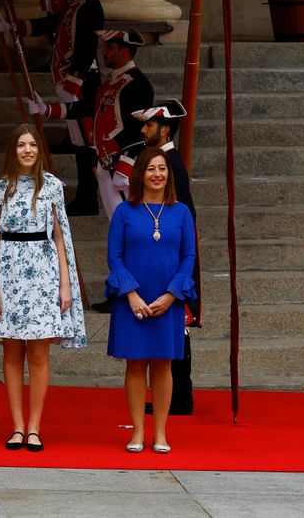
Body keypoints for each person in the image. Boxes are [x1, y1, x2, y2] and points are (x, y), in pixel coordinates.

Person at [0, 124, 86, 452]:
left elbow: (61, 236)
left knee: (39, 354)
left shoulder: (52, 186)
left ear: (39, 151)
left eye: (33, 145)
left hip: (43, 276)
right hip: (8, 275)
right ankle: (17, 426)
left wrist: (65, 285)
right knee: (11, 354)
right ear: (13, 150)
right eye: (21, 145)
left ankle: (35, 427)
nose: (27, 150)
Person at [0, 0, 105, 216]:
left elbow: (87, 49)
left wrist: (74, 84)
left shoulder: (90, 6)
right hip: (69, 79)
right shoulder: (74, 5)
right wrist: (12, 26)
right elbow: (50, 24)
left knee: (86, 142)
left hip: (81, 82)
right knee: (78, 141)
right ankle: (85, 195)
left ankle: (89, 197)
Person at [106, 147, 197, 454]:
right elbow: (114, 257)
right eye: (151, 169)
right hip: (131, 299)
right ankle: (137, 433)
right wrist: (131, 294)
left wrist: (172, 295)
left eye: (162, 169)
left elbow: (189, 257)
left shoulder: (181, 212)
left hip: (167, 298)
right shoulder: (124, 211)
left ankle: (160, 433)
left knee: (163, 366)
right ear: (139, 174)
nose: (157, 174)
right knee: (134, 365)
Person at [28, 28, 154, 219]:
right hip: (105, 164)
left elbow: (139, 130)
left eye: (110, 47)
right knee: (117, 224)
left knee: (137, 224)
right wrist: (47, 109)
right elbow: (87, 107)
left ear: (125, 51)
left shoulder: (138, 84)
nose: (103, 52)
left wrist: (126, 167)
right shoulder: (110, 83)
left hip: (125, 166)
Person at [134, 100, 200, 415]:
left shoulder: (171, 164)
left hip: (173, 259)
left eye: (148, 125)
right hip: (165, 257)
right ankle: (178, 396)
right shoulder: (169, 161)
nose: (144, 130)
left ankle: (180, 397)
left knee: (178, 325)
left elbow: (184, 218)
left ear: (164, 129)